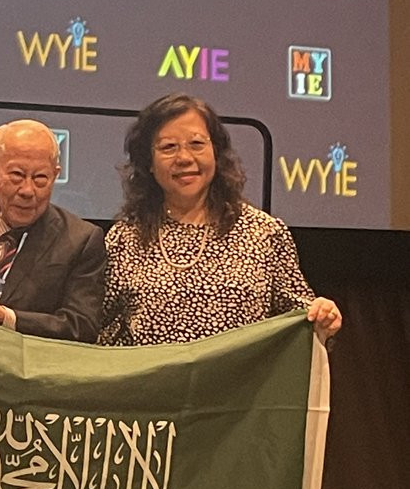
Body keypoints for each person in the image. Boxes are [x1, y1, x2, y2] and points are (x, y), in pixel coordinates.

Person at [98, 94, 342, 347]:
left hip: (244, 375)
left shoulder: (264, 233)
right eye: (168, 147)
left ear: (216, 152)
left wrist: (324, 318)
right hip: (153, 375)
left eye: (196, 143)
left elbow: (301, 321)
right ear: (148, 162)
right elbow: (101, 336)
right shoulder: (124, 239)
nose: (184, 158)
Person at [0, 119, 105, 342]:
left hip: (33, 361)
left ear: (55, 175)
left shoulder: (81, 240)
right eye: (17, 175)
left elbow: (81, 326)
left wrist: (8, 319)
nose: (27, 190)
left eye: (40, 178)